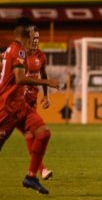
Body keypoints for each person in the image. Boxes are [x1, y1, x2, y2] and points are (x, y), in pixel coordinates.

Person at [0, 19, 60, 194]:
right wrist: (47, 82)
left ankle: (31, 177)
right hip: (6, 107)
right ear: (27, 34)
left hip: (21, 105)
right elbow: (19, 79)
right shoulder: (18, 51)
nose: (35, 36)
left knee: (43, 133)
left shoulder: (19, 50)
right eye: (33, 32)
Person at [16, 26, 53, 180]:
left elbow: (43, 76)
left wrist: (46, 95)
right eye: (33, 38)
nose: (35, 41)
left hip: (32, 100)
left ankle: (36, 173)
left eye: (38, 38)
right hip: (17, 101)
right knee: (31, 134)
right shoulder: (18, 53)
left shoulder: (41, 57)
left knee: (32, 135)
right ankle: (40, 170)